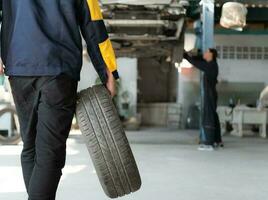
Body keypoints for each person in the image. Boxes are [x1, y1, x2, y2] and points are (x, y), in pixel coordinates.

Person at [0, 0, 119, 199]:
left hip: (20, 64)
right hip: (59, 66)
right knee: (49, 153)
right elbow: (93, 21)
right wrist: (107, 70)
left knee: (31, 147)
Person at [183, 49, 223, 151]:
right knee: (213, 116)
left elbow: (197, 63)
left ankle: (209, 143)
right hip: (211, 94)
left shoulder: (211, 65)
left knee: (208, 116)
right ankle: (217, 141)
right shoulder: (212, 63)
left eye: (206, 52)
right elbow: (199, 58)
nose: (204, 53)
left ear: (211, 54)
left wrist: (186, 56)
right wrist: (188, 54)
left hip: (210, 94)